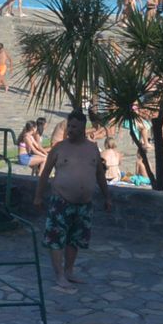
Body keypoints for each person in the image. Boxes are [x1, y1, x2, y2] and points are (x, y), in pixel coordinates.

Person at [32, 110, 111, 293]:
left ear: (83, 127)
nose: (70, 130)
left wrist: (107, 197)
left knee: (75, 239)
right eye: (69, 126)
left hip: (84, 203)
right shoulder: (59, 148)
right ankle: (59, 274)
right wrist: (38, 196)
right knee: (56, 239)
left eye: (74, 126)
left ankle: (69, 271)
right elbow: (45, 174)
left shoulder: (92, 148)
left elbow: (100, 175)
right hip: (61, 201)